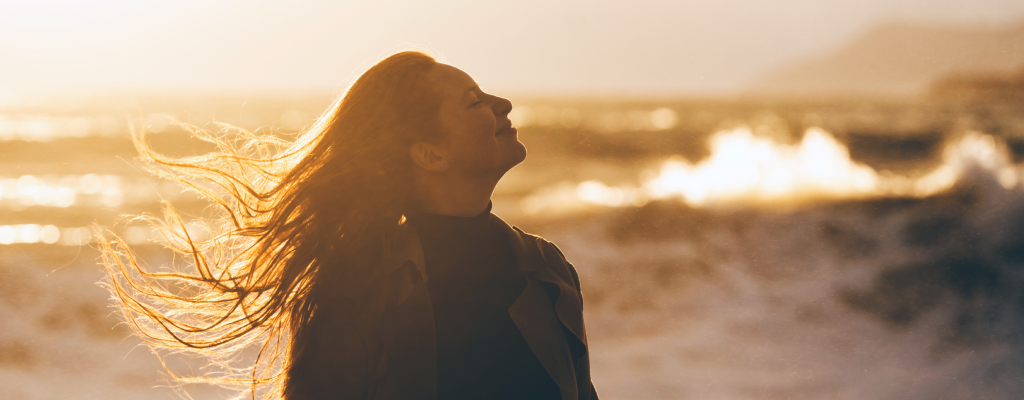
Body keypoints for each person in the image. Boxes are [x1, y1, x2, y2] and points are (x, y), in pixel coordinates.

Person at [102, 50, 598, 400]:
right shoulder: (359, 287)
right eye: (474, 101)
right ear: (430, 154)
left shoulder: (547, 270)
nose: (502, 104)